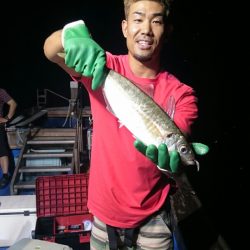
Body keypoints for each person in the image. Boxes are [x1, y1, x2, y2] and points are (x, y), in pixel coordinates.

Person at [43, 0, 208, 249]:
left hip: (153, 218)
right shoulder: (101, 66)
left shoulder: (182, 94)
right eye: (138, 19)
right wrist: (68, 36)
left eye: (156, 20)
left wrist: (171, 166)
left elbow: (177, 141)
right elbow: (50, 51)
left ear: (167, 30)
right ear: (125, 27)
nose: (146, 29)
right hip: (102, 216)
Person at [0, 88, 17, 189]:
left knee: (1, 150)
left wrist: (7, 118)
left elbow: (13, 103)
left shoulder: (1, 91)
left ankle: (6, 175)